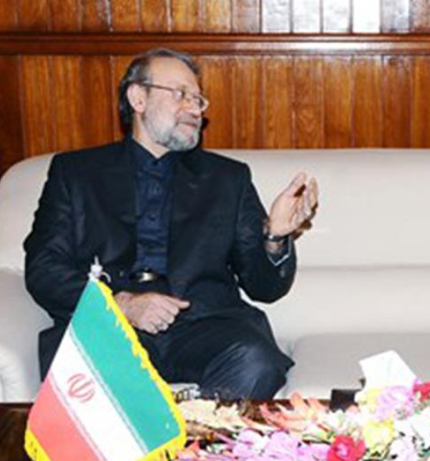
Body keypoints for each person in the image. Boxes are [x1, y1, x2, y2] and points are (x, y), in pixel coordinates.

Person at [25, 48, 318, 400]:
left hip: (204, 328)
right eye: (181, 95)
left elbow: (264, 288)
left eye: (198, 99)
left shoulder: (227, 178)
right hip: (111, 328)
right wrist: (121, 305)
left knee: (256, 362)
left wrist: (274, 235)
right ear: (138, 97)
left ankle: (198, 445)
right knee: (81, 375)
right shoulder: (76, 174)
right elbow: (43, 269)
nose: (195, 109)